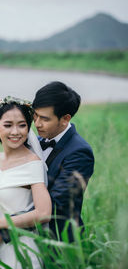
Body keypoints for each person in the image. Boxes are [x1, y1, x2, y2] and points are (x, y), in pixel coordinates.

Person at [0, 96, 52, 269]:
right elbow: (0, 202)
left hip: (21, 249)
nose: (16, 132)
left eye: (22, 125)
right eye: (8, 125)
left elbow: (44, 213)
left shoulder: (33, 164)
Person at [32, 81, 94, 241]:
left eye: (44, 119)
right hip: (30, 239)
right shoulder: (36, 142)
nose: (37, 123)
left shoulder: (80, 152)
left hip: (59, 243)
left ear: (65, 119)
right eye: (35, 115)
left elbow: (57, 206)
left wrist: (5, 225)